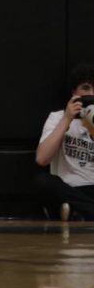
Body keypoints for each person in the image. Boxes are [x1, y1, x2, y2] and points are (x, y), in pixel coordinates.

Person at [35, 63, 94, 221]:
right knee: (44, 182)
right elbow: (42, 159)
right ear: (74, 92)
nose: (91, 94)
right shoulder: (57, 117)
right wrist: (67, 119)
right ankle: (84, 211)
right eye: (86, 88)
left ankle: (78, 211)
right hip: (67, 188)